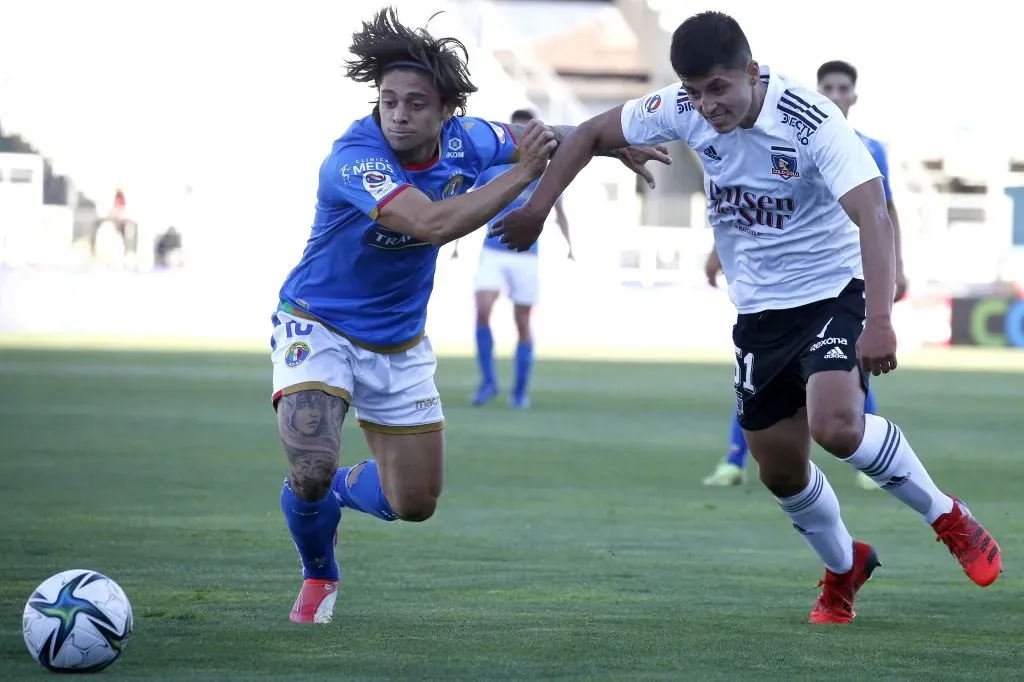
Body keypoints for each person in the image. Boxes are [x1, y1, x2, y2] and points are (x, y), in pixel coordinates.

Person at [489, 11, 1001, 624]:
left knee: (837, 426)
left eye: (719, 89)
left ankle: (949, 518)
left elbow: (874, 215)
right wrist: (539, 207)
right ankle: (844, 569)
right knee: (780, 471)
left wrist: (881, 319)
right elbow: (588, 133)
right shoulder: (680, 105)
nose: (706, 106)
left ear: (751, 72)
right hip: (759, 311)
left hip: (833, 290)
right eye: (695, 91)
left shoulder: (811, 120)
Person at [270, 7, 670, 624]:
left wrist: (610, 146)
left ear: (445, 111)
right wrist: (526, 178)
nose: (398, 114)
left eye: (416, 104)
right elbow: (432, 224)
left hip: (398, 343)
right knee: (311, 465)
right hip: (316, 323)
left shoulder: (471, 139)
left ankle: (342, 489)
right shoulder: (354, 157)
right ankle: (319, 573)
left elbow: (550, 134)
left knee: (416, 504)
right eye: (388, 101)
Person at [701, 60, 905, 491]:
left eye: (841, 87)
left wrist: (896, 268)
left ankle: (867, 464)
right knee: (761, 378)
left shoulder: (869, 147)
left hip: (841, 278)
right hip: (779, 284)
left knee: (845, 374)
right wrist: (717, 251)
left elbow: (883, 213)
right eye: (826, 85)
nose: (833, 92)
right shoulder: (793, 133)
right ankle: (735, 459)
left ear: (853, 96)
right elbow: (755, 202)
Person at [453, 108, 574, 409]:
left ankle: (519, 390)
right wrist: (455, 241)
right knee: (481, 310)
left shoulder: (546, 172)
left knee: (522, 322)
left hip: (526, 255)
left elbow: (559, 211)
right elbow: (466, 205)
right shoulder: (493, 168)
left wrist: (569, 245)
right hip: (492, 252)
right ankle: (488, 383)